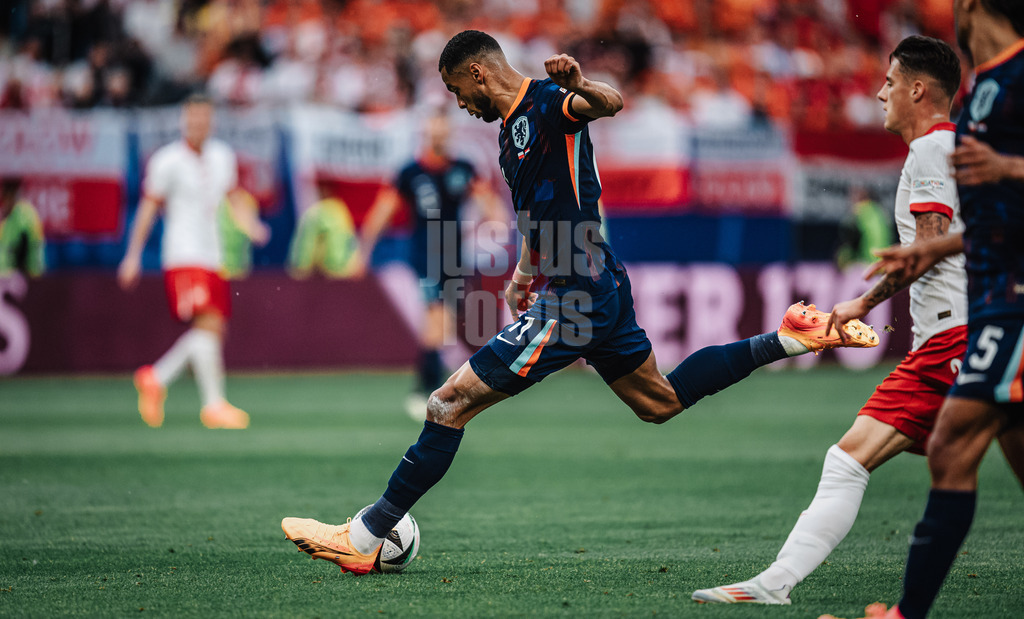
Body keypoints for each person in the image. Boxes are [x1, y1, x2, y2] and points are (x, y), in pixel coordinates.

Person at [279, 30, 878, 575]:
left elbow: (608, 104)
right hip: (594, 279)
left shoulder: (547, 102)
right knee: (659, 400)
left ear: (478, 74)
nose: (459, 103)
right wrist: (521, 272)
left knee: (447, 402)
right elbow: (539, 215)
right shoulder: (508, 139)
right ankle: (789, 338)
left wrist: (582, 84)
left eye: (457, 89)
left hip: (576, 295)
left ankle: (364, 536)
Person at [692, 35, 967, 605]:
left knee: (847, 459)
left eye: (890, 82)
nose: (879, 92)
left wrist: (861, 304)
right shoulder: (956, 150)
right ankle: (775, 584)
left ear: (917, 89)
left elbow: (929, 245)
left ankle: (774, 585)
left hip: (953, 338)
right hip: (967, 334)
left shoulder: (932, 152)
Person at [819, 0, 1024, 619]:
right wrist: (931, 252)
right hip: (996, 300)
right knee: (961, 446)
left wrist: (1008, 170)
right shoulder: (988, 87)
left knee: (953, 443)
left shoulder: (1013, 78)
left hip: (1008, 306)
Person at [117, 94, 268, 430]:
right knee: (209, 326)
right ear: (184, 121)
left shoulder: (222, 156)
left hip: (213, 255)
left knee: (213, 331)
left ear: (211, 121)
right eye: (192, 119)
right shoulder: (167, 161)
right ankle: (212, 405)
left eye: (204, 118)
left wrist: (251, 226)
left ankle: (156, 378)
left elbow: (233, 199)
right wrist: (132, 255)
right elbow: (147, 208)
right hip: (183, 254)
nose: (198, 124)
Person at [354, 109, 504, 420]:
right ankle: (426, 390)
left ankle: (432, 387)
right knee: (436, 321)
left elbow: (490, 203)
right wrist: (363, 250)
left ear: (448, 132)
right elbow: (383, 211)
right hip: (424, 256)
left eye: (443, 128)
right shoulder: (410, 172)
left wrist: (499, 226)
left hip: (454, 256)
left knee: (445, 325)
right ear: (425, 133)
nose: (438, 134)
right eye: (433, 129)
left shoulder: (463, 168)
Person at [286, 178, 359, 280]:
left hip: (326, 273)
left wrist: (300, 266)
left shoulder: (318, 212)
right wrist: (355, 265)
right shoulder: (342, 211)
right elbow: (350, 242)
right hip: (346, 272)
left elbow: (307, 242)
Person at [0, 177, 45, 277]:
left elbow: (32, 245)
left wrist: (32, 271)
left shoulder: (26, 215)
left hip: (20, 275)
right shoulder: (3, 213)